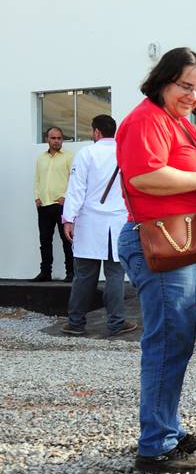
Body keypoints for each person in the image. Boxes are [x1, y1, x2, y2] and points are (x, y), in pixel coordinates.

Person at [116, 47, 196, 473]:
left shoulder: (175, 121)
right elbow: (144, 175)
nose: (194, 95)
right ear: (163, 79)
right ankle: (155, 444)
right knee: (167, 342)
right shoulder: (145, 119)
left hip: (180, 241)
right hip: (161, 242)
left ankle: (165, 427)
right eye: (186, 85)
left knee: (177, 340)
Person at [60, 115, 136, 337]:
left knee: (84, 276)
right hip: (118, 221)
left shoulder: (87, 153)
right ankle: (116, 323)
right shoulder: (125, 153)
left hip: (90, 223)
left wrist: (68, 219)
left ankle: (75, 323)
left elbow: (76, 189)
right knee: (115, 275)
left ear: (96, 132)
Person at [32, 126, 74, 282]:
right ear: (47, 139)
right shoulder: (41, 158)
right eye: (53, 138)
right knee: (44, 240)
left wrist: (65, 196)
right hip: (44, 205)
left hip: (61, 205)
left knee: (67, 240)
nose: (56, 141)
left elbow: (74, 179)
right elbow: (37, 179)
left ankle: (71, 272)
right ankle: (45, 273)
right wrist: (37, 197)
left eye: (59, 138)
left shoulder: (69, 156)